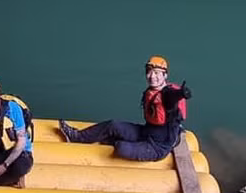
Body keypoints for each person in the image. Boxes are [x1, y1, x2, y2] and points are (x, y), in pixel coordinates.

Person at [58, 55, 191, 161]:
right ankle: (76, 137)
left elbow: (172, 96)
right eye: (149, 72)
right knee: (112, 125)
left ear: (165, 76)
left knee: (121, 148)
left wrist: (182, 93)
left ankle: (115, 141)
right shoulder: (153, 91)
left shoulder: (168, 94)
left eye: (157, 73)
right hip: (145, 133)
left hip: (156, 147)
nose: (152, 77)